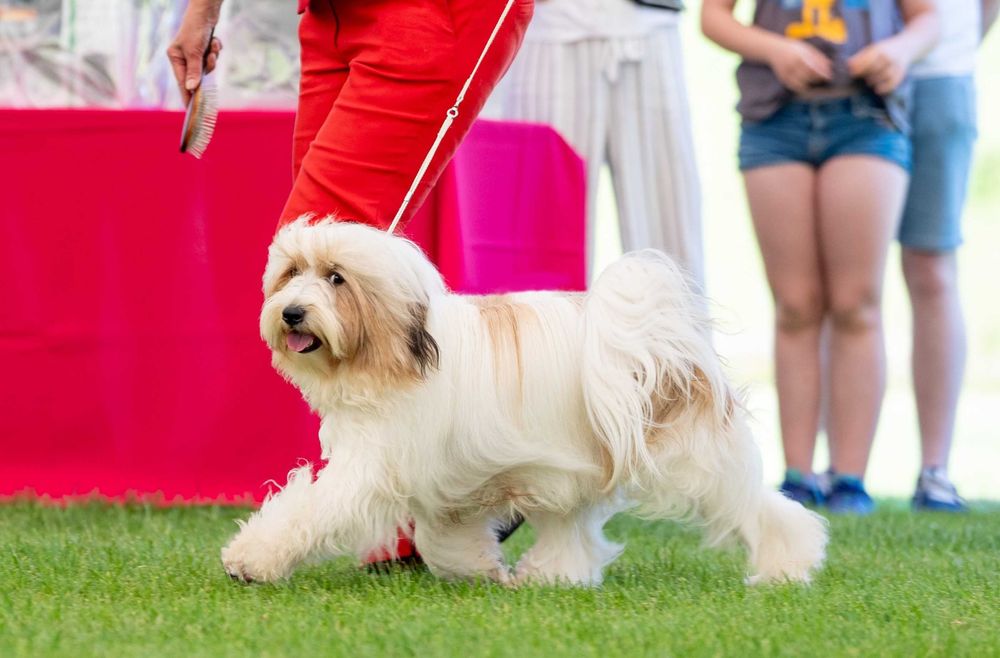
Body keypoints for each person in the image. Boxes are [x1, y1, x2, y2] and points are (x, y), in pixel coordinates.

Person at [168, 0, 534, 561]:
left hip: (434, 12)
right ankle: (450, 485)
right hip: (330, 16)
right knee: (312, 249)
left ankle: (447, 488)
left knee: (329, 249)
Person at [701, 0, 939, 514]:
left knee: (857, 303)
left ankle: (851, 479)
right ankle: (797, 476)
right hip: (775, 120)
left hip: (866, 116)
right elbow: (713, 17)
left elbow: (928, 19)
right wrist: (776, 49)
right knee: (795, 305)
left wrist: (897, 51)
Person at [498, 0, 704, 285]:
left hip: (650, 26)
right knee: (540, 229)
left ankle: (676, 328)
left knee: (668, 231)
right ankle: (542, 328)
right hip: (552, 29)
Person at [901, 0, 997, 511]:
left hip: (942, 75)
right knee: (841, 285)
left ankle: (935, 469)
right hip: (840, 80)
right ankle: (829, 471)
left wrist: (952, 46)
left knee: (933, 269)